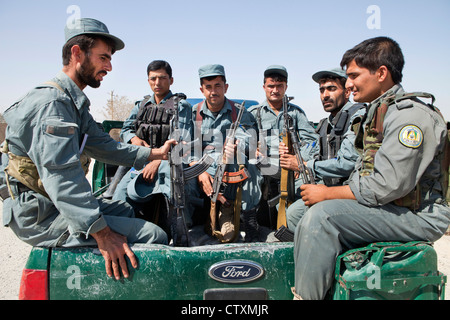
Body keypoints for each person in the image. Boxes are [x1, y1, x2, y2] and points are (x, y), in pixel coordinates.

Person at [0, 18, 174, 281]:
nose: (110, 67)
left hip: (51, 201)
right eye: (103, 58)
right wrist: (102, 234)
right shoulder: (53, 104)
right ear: (77, 53)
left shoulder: (72, 102)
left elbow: (104, 146)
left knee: (125, 210)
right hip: (39, 212)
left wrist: (154, 154)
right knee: (154, 236)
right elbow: (63, 178)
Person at [292, 36, 450, 300]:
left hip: (417, 215)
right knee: (298, 212)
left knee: (322, 217)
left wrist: (327, 194)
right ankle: (325, 288)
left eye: (354, 75)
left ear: (381, 73)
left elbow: (387, 185)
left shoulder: (409, 116)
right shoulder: (378, 112)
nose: (349, 84)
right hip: (392, 206)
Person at [111, 60, 196, 231]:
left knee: (173, 198)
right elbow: (126, 129)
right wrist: (133, 139)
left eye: (162, 78)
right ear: (148, 80)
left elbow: (182, 140)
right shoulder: (141, 106)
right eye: (153, 78)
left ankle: (179, 232)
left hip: (169, 162)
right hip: (142, 161)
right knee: (118, 197)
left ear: (171, 80)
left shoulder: (182, 106)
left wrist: (157, 161)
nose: (157, 83)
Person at [285, 68, 366, 230]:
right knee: (287, 196)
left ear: (347, 92)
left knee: (295, 213)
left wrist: (305, 165)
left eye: (332, 89)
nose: (325, 95)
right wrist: (293, 155)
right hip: (330, 186)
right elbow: (313, 148)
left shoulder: (357, 117)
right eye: (322, 90)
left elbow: (347, 163)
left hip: (350, 192)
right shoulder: (326, 123)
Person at [191, 64, 262, 242]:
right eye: (208, 87)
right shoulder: (193, 114)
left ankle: (248, 217)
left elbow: (251, 139)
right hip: (201, 169)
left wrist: (237, 143)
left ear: (226, 87)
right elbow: (185, 147)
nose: (213, 91)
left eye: (217, 86)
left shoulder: (239, 112)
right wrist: (200, 171)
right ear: (202, 89)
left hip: (230, 167)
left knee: (249, 162)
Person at [248, 65, 318, 230]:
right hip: (262, 167)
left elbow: (313, 142)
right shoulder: (253, 113)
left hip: (289, 169)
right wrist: (255, 149)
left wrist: (298, 158)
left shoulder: (295, 114)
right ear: (264, 87)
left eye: (279, 86)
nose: (275, 90)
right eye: (271, 86)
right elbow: (244, 139)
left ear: (286, 87)